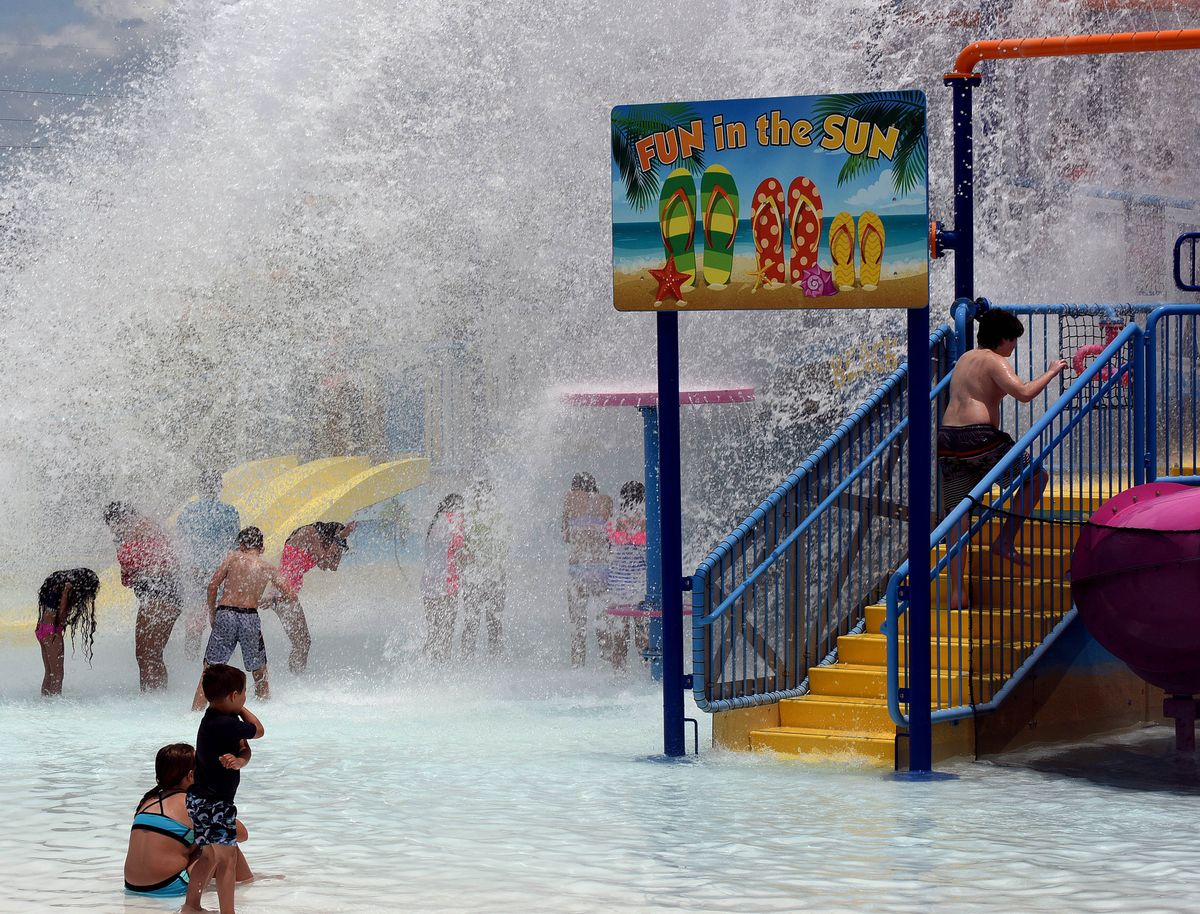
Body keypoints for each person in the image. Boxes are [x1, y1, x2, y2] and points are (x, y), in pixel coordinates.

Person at [938, 308, 1069, 607]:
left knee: (958, 515)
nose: (1014, 348)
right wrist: (1051, 371)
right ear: (1003, 340)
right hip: (979, 439)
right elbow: (1023, 393)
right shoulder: (996, 361)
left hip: (948, 440)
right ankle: (1005, 540)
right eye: (1014, 341)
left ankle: (957, 594)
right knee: (1037, 477)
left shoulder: (965, 358)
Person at [183, 664, 265, 914]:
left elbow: (244, 749)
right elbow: (259, 731)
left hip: (201, 800)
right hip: (215, 803)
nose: (245, 699)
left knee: (209, 857)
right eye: (243, 693)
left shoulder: (215, 719)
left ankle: (191, 906)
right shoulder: (225, 724)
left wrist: (240, 760)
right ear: (233, 696)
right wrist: (241, 708)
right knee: (227, 860)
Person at [124, 743, 254, 899]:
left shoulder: (148, 801)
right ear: (191, 776)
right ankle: (247, 886)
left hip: (133, 887)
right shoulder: (190, 802)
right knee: (223, 842)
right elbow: (242, 834)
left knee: (198, 838)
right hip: (170, 887)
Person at [192, 526, 296, 711]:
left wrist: (212, 612)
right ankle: (265, 711)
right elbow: (291, 595)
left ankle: (194, 715)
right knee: (259, 671)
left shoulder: (233, 558)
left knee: (210, 672)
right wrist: (270, 600)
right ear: (261, 548)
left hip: (226, 614)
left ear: (241, 545)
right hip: (250, 617)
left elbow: (212, 586)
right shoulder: (268, 568)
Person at [105, 502, 184, 691]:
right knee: (153, 653)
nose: (113, 531)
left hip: (158, 594)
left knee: (144, 654)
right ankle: (157, 697)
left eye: (112, 525)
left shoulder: (139, 528)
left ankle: (149, 698)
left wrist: (125, 556)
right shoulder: (141, 531)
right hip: (166, 594)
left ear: (120, 519)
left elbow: (151, 564)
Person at [264, 520, 356, 674]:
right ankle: (296, 680)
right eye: (335, 538)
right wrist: (338, 538)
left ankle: (296, 679)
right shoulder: (310, 532)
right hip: (282, 592)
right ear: (329, 534)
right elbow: (323, 562)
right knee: (303, 643)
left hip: (288, 593)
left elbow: (332, 566)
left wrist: (340, 540)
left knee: (303, 642)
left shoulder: (325, 542)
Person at [176, 469, 240, 661]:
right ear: (219, 487)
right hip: (220, 573)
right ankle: (221, 663)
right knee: (223, 620)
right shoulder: (230, 512)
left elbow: (180, 543)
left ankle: (191, 660)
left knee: (195, 622)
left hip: (195, 572)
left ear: (200, 488)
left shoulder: (188, 512)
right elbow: (235, 545)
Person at [562, 472, 612, 668]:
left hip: (578, 569)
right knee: (604, 622)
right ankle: (607, 665)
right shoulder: (606, 501)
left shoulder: (570, 501)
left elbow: (566, 536)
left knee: (578, 625)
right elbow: (610, 535)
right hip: (602, 570)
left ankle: (578, 667)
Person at [599, 481, 649, 672]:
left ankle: (618, 675)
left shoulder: (613, 521)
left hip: (617, 588)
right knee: (642, 632)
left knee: (619, 635)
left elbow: (609, 551)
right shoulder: (647, 521)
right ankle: (647, 672)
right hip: (639, 587)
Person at [459, 478, 509, 660]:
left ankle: (474, 659)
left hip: (486, 577)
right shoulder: (489, 519)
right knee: (486, 622)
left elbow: (503, 549)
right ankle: (480, 659)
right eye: (480, 497)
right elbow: (462, 549)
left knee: (485, 622)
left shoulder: (478, 519)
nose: (482, 501)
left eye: (483, 497)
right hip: (485, 577)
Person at [35, 568, 100, 696]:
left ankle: (45, 705)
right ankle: (55, 707)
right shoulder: (66, 590)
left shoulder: (52, 589)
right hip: (53, 632)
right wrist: (66, 594)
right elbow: (61, 617)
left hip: (42, 630)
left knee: (49, 673)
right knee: (58, 675)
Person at [422, 494, 465, 663]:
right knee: (447, 630)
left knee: (433, 631)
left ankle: (428, 665)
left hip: (428, 584)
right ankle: (443, 667)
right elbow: (461, 552)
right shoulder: (453, 521)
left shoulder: (434, 522)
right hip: (447, 584)